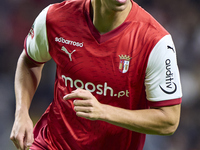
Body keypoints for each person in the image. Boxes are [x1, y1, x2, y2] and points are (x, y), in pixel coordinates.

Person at [10, 0, 182, 149]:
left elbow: (169, 120)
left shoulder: (155, 41)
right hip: (52, 143)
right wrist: (22, 113)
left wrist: (104, 111)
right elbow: (30, 61)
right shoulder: (55, 17)